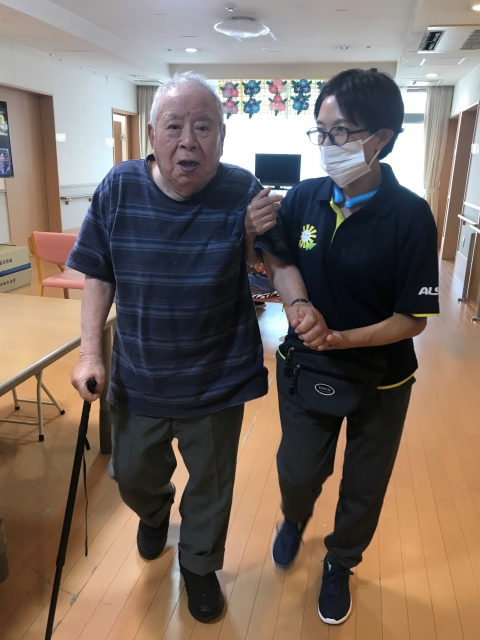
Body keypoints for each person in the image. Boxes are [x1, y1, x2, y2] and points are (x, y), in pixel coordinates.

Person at [68, 72, 282, 623]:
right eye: (174, 126)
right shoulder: (119, 187)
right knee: (132, 474)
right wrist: (90, 353)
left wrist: (252, 237)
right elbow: (97, 272)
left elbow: (268, 268)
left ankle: (200, 567)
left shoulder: (242, 190)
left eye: (204, 127)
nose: (189, 141)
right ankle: (155, 509)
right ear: (151, 135)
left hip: (218, 375)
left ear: (222, 137)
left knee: (212, 486)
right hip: (140, 374)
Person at [246, 68, 439, 626]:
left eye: (341, 132)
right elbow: (277, 257)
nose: (327, 144)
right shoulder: (305, 198)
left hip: (382, 376)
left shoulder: (410, 216)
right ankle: (293, 518)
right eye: (321, 131)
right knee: (298, 470)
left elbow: (412, 319)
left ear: (381, 137)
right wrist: (300, 307)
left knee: (364, 484)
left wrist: (340, 338)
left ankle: (340, 563)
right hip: (306, 366)